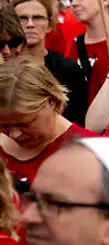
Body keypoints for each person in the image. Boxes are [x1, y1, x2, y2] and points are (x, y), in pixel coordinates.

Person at [0, 57, 86, 191]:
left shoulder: (88, 154)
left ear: (52, 102)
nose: (14, 134)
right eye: (4, 125)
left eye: (25, 124)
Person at [11, 0, 88, 123]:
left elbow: (78, 122)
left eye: (37, 18)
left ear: (50, 25)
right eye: (22, 18)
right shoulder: (4, 66)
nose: (30, 24)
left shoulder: (69, 70)